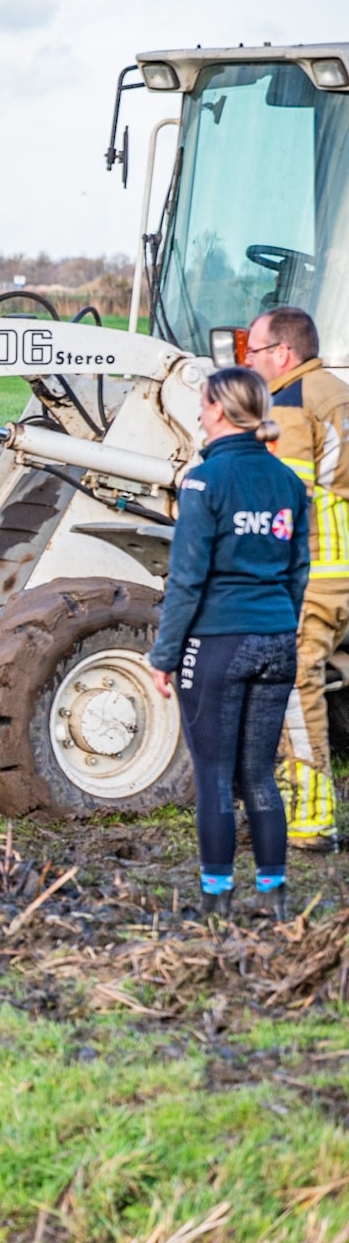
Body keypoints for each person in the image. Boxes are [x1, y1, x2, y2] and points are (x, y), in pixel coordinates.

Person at [149, 366, 308, 920]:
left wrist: (164, 655)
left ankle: (216, 900)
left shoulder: (203, 481)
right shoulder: (289, 482)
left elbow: (187, 579)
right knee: (259, 772)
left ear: (217, 409)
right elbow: (298, 573)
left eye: (203, 402)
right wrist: (280, 624)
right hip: (277, 640)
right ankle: (274, 895)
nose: (199, 410)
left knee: (215, 774)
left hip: (218, 643)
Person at [249, 307, 349, 850]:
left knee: (295, 685)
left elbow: (281, 503)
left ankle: (312, 821)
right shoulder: (336, 391)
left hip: (318, 571)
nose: (248, 361)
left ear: (282, 354)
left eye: (254, 351)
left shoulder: (290, 404)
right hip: (341, 568)